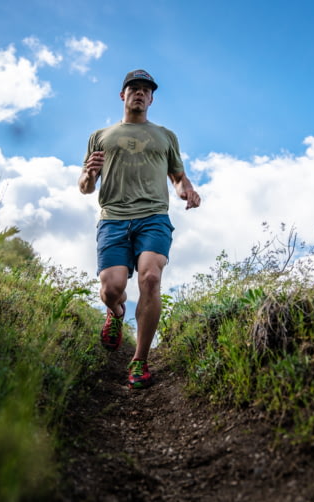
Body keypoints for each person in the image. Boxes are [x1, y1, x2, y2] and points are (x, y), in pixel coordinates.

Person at [79, 69, 201, 389]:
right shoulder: (100, 136)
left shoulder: (165, 136)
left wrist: (186, 190)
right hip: (113, 218)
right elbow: (84, 186)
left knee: (150, 277)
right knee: (111, 288)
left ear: (151, 98)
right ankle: (115, 313)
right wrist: (90, 175)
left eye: (146, 90)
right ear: (123, 95)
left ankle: (139, 360)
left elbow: (177, 176)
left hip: (153, 217)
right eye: (134, 88)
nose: (140, 93)